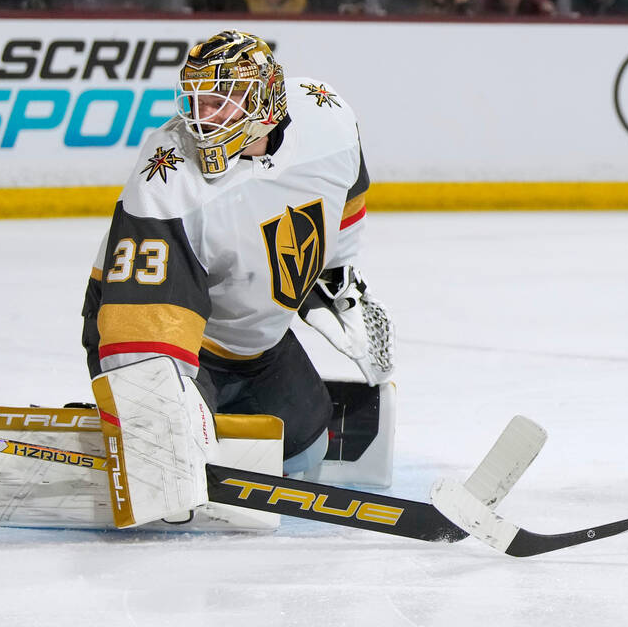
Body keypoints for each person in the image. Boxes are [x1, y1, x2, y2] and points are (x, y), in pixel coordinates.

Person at [81, 30, 394, 529]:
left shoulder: (327, 118)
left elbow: (348, 195)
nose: (202, 119)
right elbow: (141, 310)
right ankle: (122, 428)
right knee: (169, 466)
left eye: (221, 103)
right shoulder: (167, 173)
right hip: (156, 335)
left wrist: (336, 280)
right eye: (197, 100)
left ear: (267, 107)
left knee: (306, 448)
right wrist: (163, 400)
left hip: (253, 349)